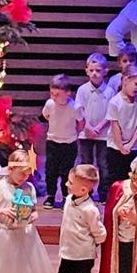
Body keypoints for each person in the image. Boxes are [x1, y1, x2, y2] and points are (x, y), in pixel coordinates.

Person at [53, 164, 106, 273]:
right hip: (67, 252)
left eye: (70, 183)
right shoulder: (69, 200)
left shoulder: (90, 210)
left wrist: (93, 245)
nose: (67, 185)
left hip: (83, 256)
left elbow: (100, 232)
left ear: (83, 189)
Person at [103, 69, 137, 192]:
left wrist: (131, 144)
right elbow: (114, 125)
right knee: (114, 178)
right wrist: (121, 146)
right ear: (125, 80)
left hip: (131, 148)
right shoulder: (115, 102)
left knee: (127, 177)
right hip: (115, 147)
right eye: (136, 84)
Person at [39, 75, 80, 207]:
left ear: (68, 93)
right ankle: (50, 196)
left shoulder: (74, 107)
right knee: (51, 170)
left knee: (66, 172)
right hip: (53, 141)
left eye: (57, 94)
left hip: (69, 144)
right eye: (52, 94)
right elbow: (46, 115)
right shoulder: (50, 104)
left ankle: (65, 196)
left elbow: (81, 122)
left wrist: (74, 134)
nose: (53, 97)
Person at [73, 55, 111, 192]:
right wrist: (88, 127)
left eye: (98, 70)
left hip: (104, 134)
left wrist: (99, 127)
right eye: (92, 70)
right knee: (86, 163)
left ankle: (103, 193)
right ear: (87, 71)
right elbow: (78, 110)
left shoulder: (110, 91)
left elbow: (111, 114)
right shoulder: (82, 90)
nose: (95, 73)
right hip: (85, 133)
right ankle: (86, 191)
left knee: (103, 164)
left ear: (105, 71)